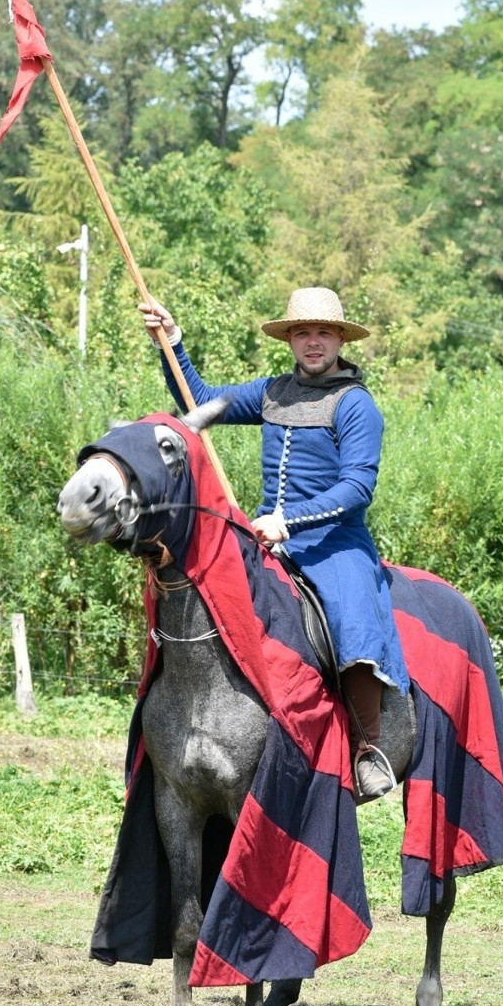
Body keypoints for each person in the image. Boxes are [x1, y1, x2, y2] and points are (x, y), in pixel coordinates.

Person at [140, 286, 409, 801]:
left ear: (339, 340)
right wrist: (171, 341)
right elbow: (198, 401)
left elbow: (357, 489)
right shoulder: (273, 392)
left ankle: (369, 748)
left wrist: (289, 521)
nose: (313, 343)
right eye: (303, 333)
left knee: (350, 620)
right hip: (266, 539)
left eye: (323, 333)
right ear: (289, 339)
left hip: (334, 544)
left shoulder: (356, 405)